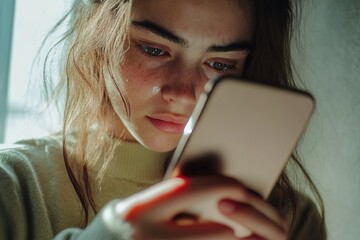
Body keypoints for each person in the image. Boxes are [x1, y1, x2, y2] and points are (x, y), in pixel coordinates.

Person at [0, 0, 326, 239]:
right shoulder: (12, 190)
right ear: (98, 31)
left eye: (221, 65)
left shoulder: (288, 220)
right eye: (155, 50)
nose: (184, 93)